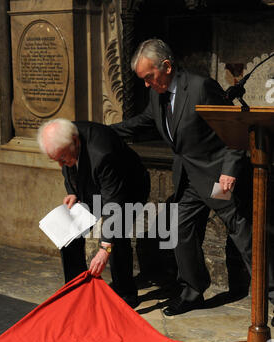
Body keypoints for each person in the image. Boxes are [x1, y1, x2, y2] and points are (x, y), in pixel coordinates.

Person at [111, 38, 274, 316]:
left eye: (149, 77)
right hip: (189, 181)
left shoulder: (200, 87)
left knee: (243, 234)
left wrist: (228, 171)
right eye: (143, 80)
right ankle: (193, 291)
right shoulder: (156, 94)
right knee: (181, 230)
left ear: (166, 66)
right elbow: (143, 123)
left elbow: (233, 128)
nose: (147, 85)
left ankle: (271, 293)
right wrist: (100, 132)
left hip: (216, 178)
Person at [37, 118, 150, 308]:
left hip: (128, 188)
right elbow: (67, 167)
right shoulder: (63, 136)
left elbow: (115, 205)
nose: (60, 165)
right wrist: (72, 191)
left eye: (62, 158)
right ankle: (76, 288)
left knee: (116, 237)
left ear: (75, 141)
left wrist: (104, 248)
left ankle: (126, 294)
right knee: (69, 231)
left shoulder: (103, 153)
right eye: (56, 160)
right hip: (92, 186)